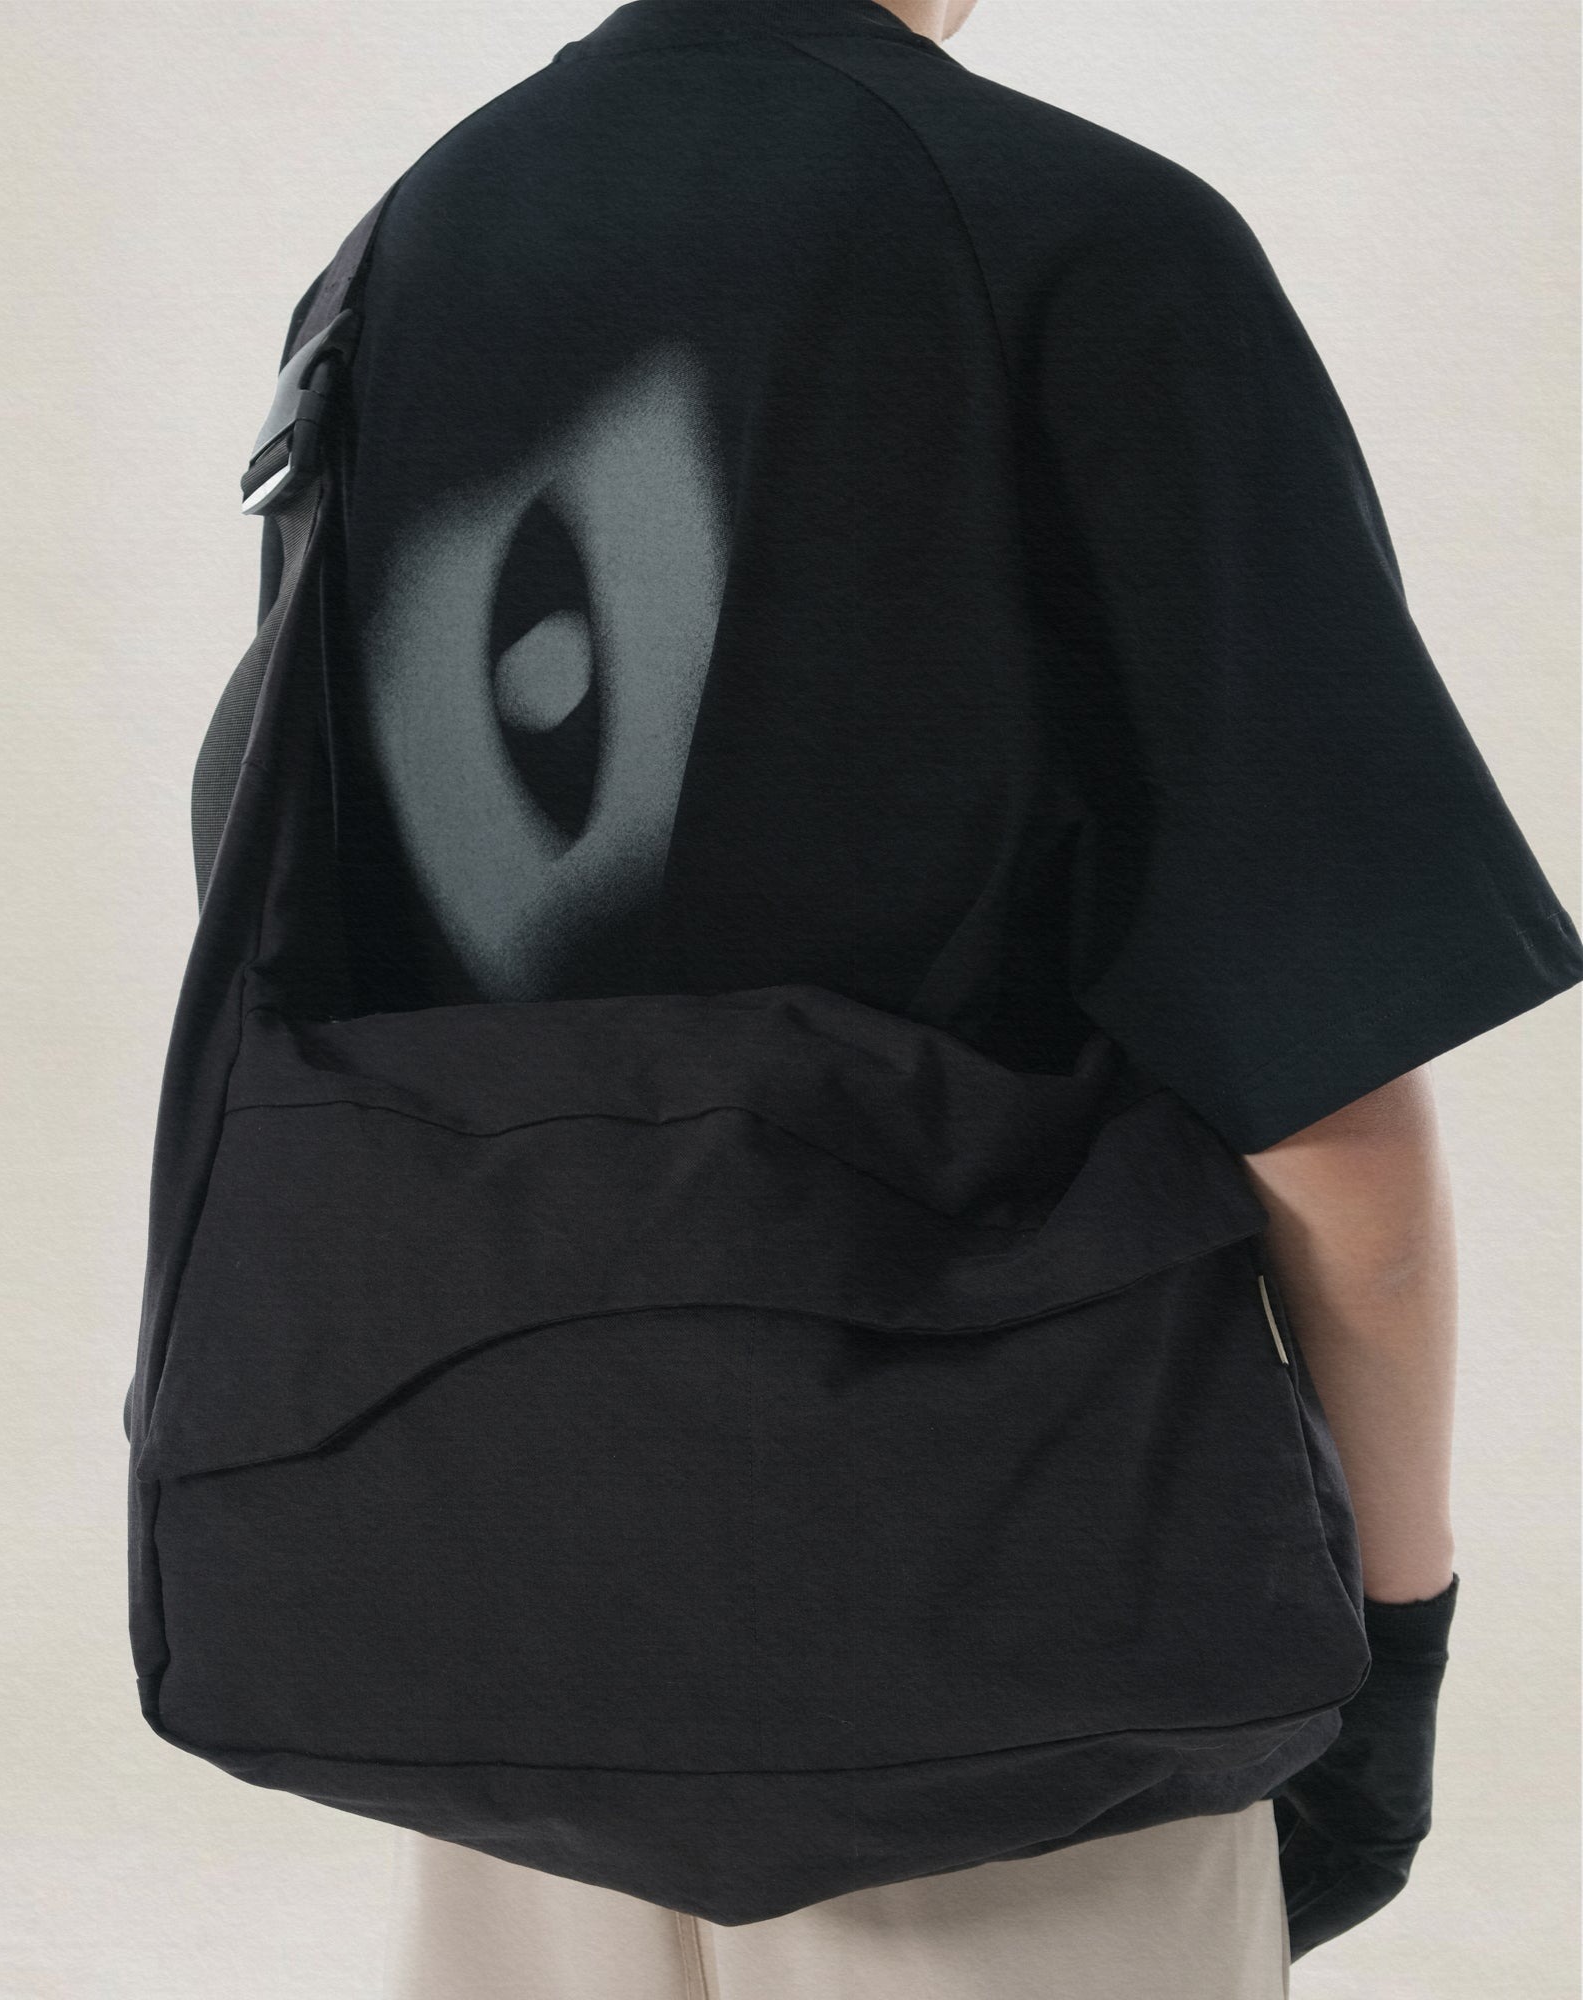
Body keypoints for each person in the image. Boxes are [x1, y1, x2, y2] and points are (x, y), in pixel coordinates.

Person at [248, 0, 1582, 1992]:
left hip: (507, 1630)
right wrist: (1396, 1638)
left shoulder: (403, 250)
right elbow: (1325, 1112)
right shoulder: (1088, 239)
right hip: (1025, 1666)